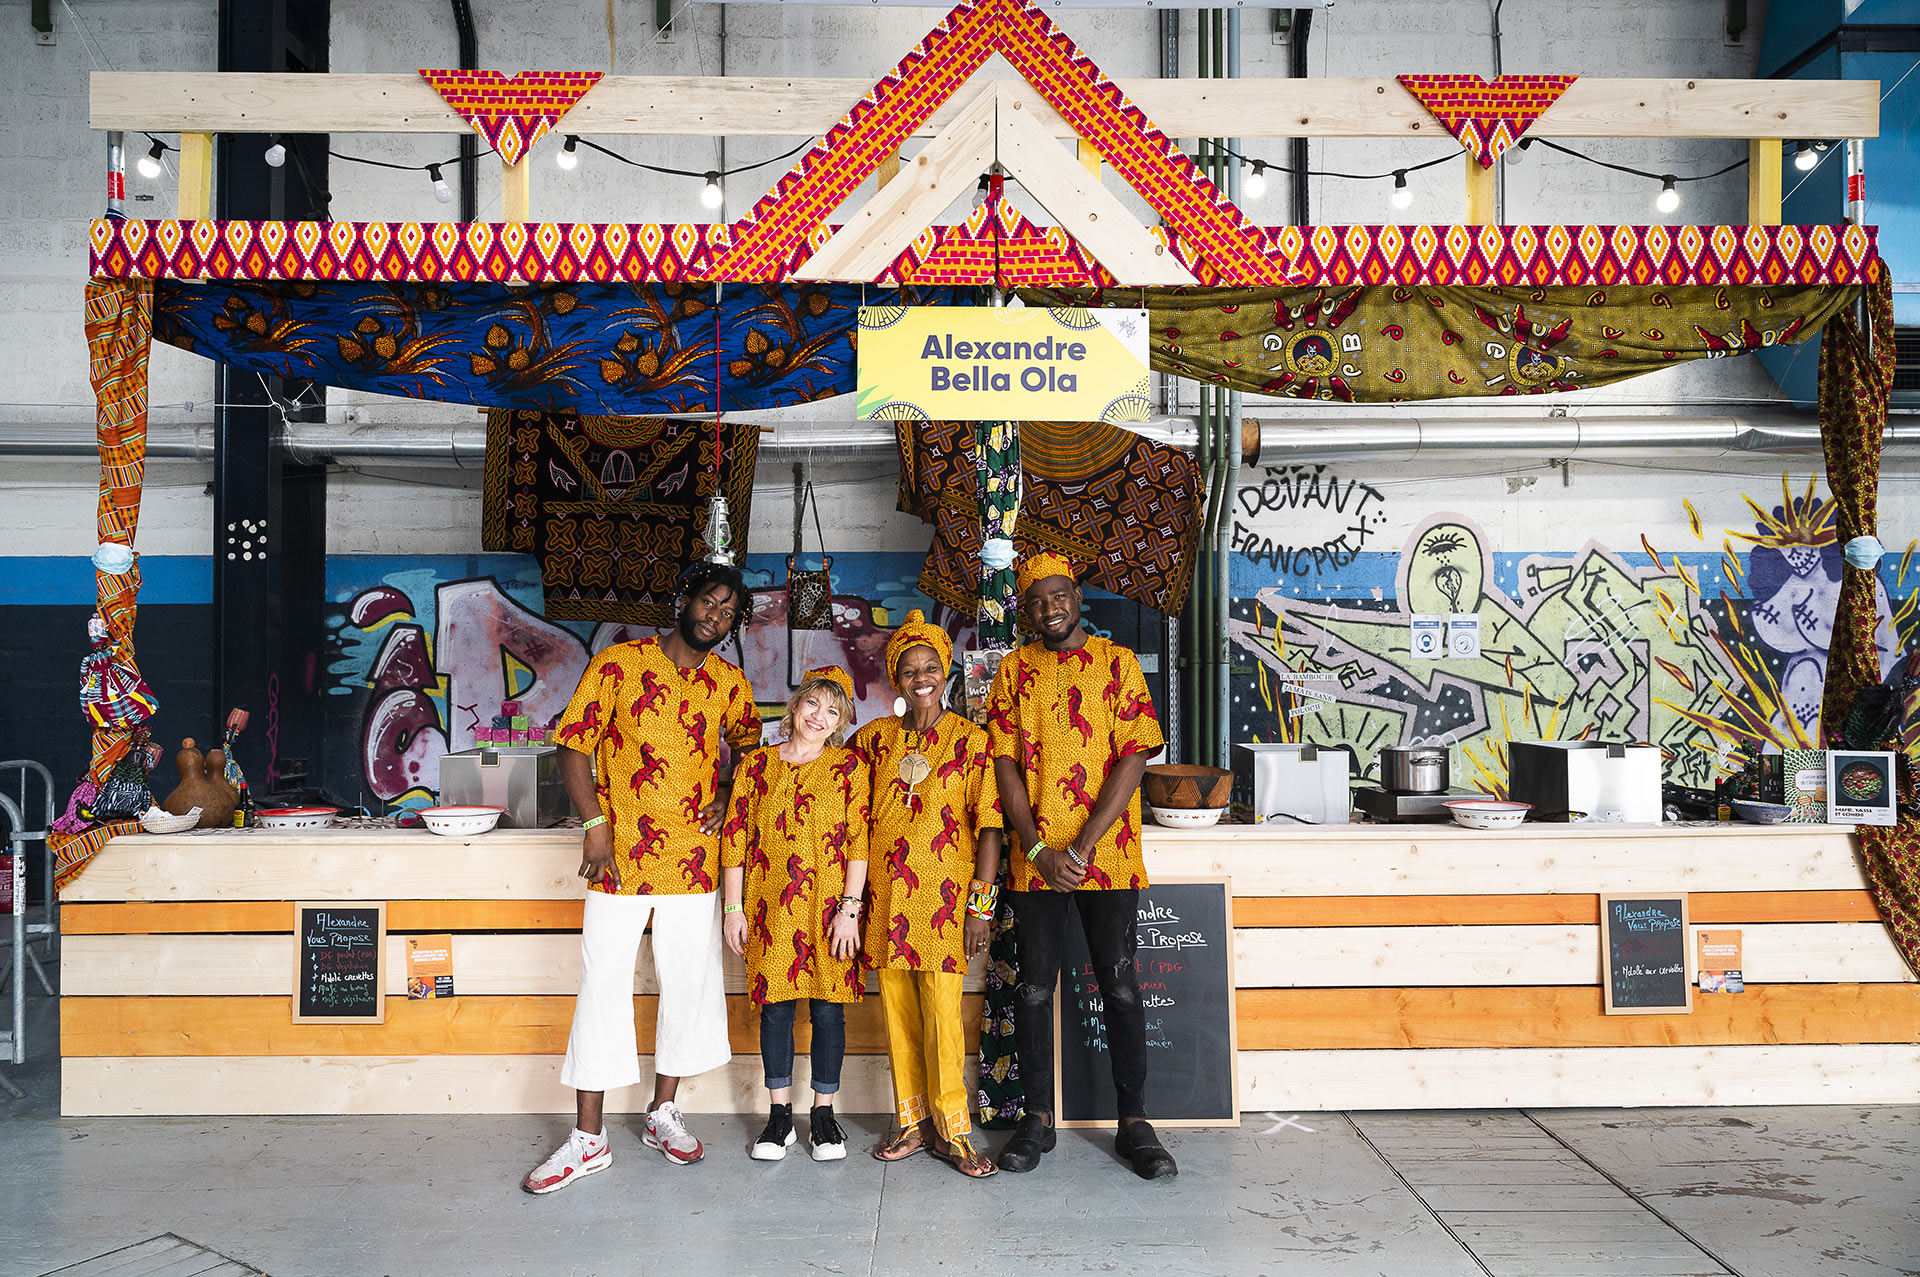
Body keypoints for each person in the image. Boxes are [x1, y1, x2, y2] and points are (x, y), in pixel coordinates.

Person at [522, 562, 763, 1195]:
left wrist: (729, 786)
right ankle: (588, 1139)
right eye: (710, 603)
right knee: (602, 983)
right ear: (683, 599)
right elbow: (573, 745)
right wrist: (594, 825)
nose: (716, 617)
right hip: (618, 858)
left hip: (693, 858)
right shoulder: (620, 664)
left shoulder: (728, 683)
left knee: (688, 984)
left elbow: (752, 750)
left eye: (729, 614)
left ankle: (663, 1113)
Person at [986, 552, 1177, 1180]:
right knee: (1034, 990)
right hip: (1035, 860)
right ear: (1025, 608)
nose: (1050, 608)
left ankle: (1134, 1122)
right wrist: (1038, 849)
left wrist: (1086, 844)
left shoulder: (1119, 664)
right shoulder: (1012, 673)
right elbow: (1005, 766)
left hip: (1109, 857)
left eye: (1059, 595)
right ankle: (1035, 1120)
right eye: (1037, 600)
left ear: (1076, 596)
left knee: (1120, 988)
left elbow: (1134, 758)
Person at [851, 610, 1001, 1178]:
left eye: (931, 667)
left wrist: (980, 906)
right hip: (887, 900)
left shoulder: (971, 742)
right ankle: (911, 1123)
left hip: (944, 899)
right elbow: (844, 808)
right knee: (897, 1014)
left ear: (947, 673)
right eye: (909, 669)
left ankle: (953, 1130)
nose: (921, 677)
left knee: (942, 1014)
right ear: (896, 678)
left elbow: (990, 826)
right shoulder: (872, 740)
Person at [722, 666, 871, 1163]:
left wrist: (850, 910)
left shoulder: (848, 768)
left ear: (840, 722)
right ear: (795, 706)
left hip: (830, 908)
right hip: (769, 907)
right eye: (813, 704)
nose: (819, 717)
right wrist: (732, 907)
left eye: (832, 711)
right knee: (777, 1011)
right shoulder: (755, 766)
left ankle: (824, 1116)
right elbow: (735, 839)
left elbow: (857, 845)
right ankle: (779, 1116)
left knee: (829, 1011)